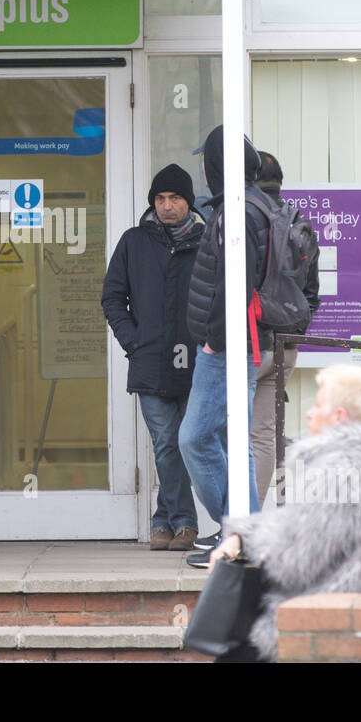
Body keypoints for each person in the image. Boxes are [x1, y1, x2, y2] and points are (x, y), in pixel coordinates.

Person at [208, 365, 361, 662]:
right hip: (360, 617)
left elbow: (295, 561)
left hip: (320, 624)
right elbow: (309, 530)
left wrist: (243, 541)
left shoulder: (339, 471)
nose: (309, 413)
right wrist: (243, 534)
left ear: (339, 417)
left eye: (318, 404)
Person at [101, 164, 205, 551]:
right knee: (166, 441)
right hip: (149, 360)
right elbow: (112, 297)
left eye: (174, 198)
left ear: (188, 202)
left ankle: (162, 519)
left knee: (186, 442)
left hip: (198, 360)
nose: (167, 206)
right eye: (160, 199)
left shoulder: (208, 240)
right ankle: (185, 523)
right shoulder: (133, 241)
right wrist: (135, 341)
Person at [179, 125, 269, 567]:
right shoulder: (248, 206)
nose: (201, 167)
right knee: (234, 443)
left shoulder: (237, 211)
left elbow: (237, 282)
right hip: (238, 342)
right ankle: (244, 536)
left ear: (217, 164)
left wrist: (215, 341)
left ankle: (239, 533)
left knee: (194, 438)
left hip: (228, 346)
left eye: (205, 159)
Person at [250, 151, 321, 502]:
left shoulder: (249, 220)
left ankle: (230, 521)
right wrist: (292, 331)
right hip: (283, 349)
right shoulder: (300, 225)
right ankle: (247, 518)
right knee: (263, 436)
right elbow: (311, 294)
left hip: (248, 345)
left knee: (210, 432)